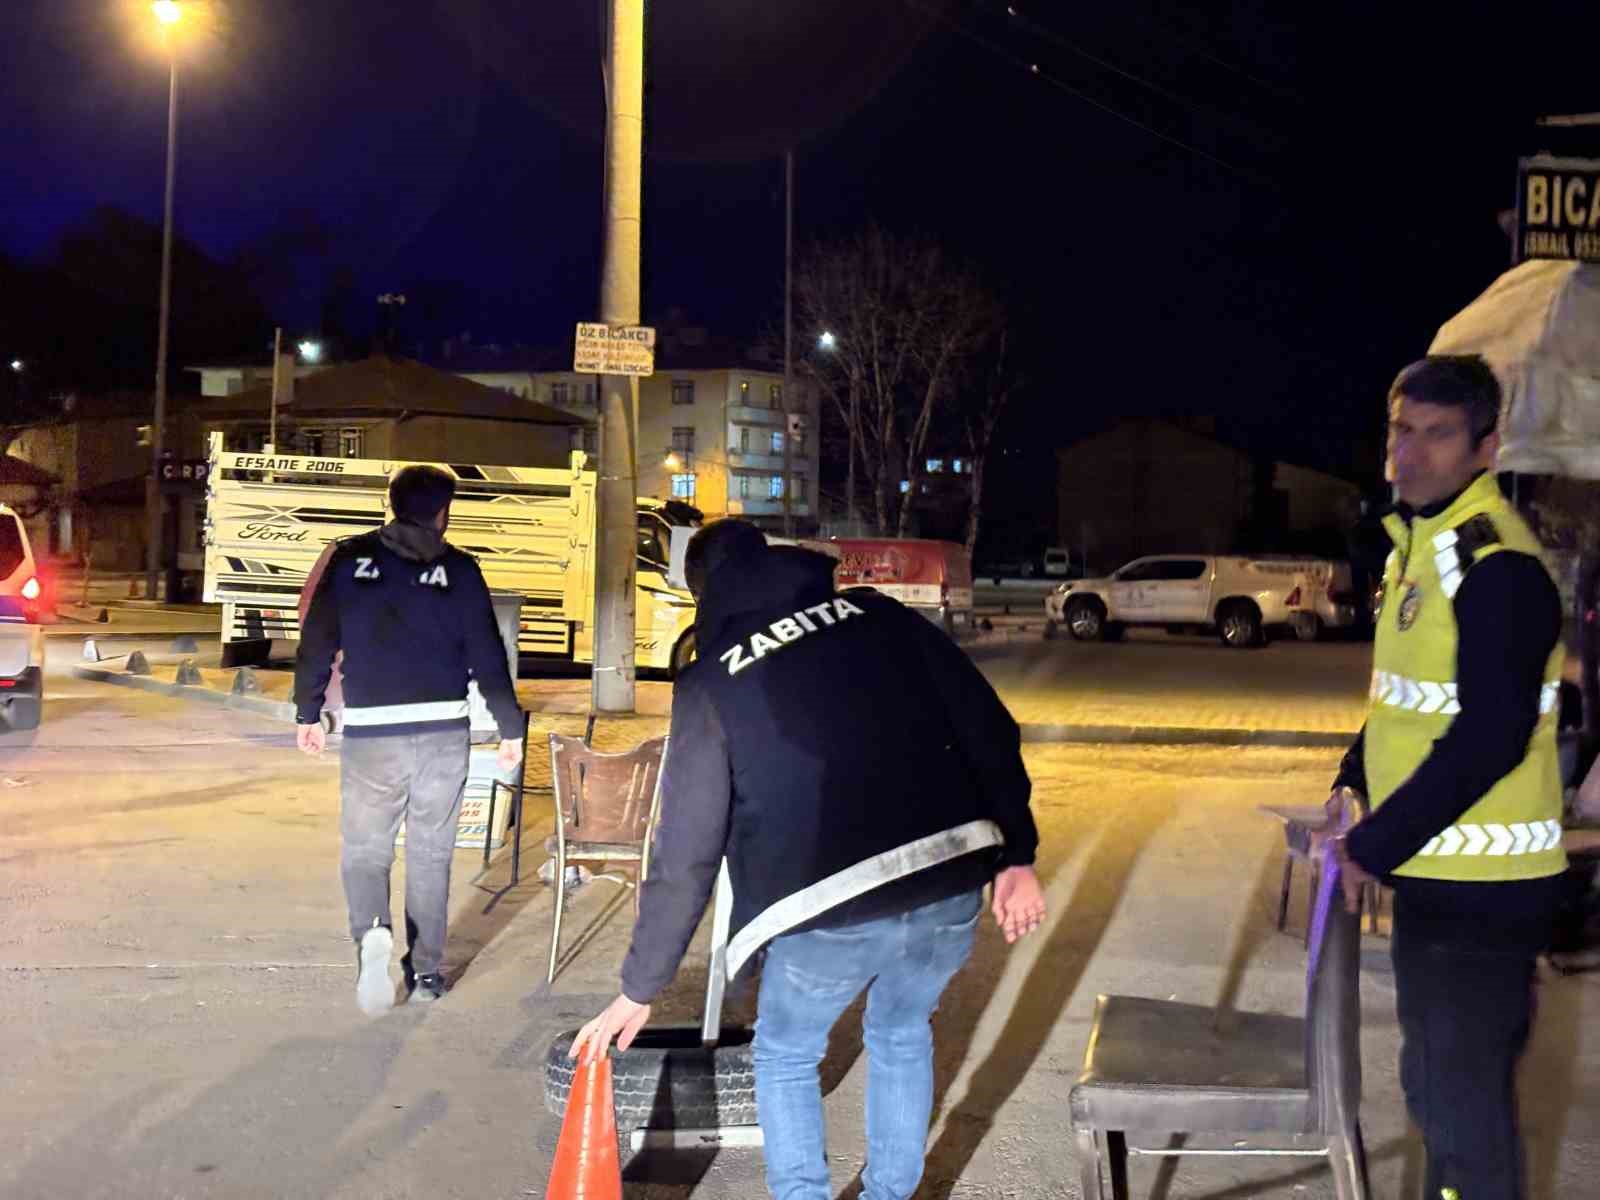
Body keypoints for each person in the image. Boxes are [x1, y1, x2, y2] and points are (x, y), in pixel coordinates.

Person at [572, 519, 1044, 1200]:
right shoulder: (881, 614)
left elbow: (686, 850)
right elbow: (989, 728)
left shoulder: (713, 681)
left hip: (830, 905)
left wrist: (640, 987)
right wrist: (1016, 856)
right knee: (903, 1030)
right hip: (950, 879)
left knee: (787, 1052)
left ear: (705, 593)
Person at [1327, 355, 1567, 1200]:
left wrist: (1374, 844)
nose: (1412, 453)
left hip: (1483, 888)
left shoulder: (1496, 564)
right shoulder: (1418, 546)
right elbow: (1406, 702)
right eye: (1402, 430)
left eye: (1438, 435)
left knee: (1462, 1113)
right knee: (1439, 1094)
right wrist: (1350, 779)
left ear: (1485, 448)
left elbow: (1491, 737)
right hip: (1443, 873)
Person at [294, 465, 524, 1016]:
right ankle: (425, 972)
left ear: (392, 504)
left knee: (367, 850)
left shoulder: (350, 560)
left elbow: (317, 640)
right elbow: (488, 655)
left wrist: (307, 714)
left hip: (374, 731)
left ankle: (373, 933)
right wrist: (510, 728)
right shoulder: (462, 570)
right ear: (444, 511)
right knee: (431, 853)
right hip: (444, 731)